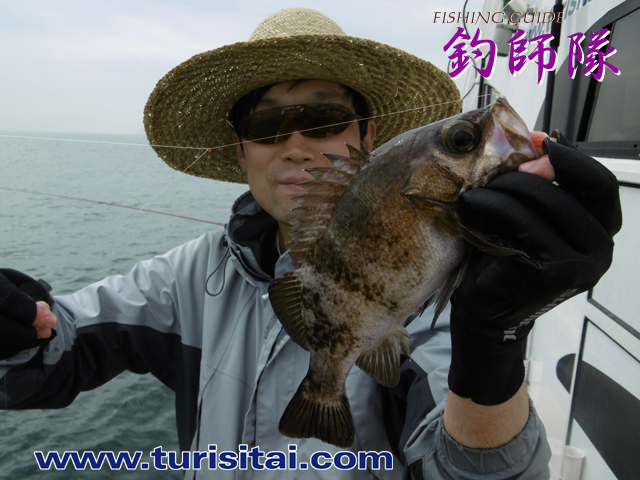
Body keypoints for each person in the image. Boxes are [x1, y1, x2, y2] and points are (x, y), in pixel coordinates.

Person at [0, 8, 621, 479]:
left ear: (367, 135)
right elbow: (55, 352)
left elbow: (472, 471)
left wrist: (493, 351)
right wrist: (17, 324)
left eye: (324, 120)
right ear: (241, 150)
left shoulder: (442, 304)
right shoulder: (187, 279)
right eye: (266, 125)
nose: (296, 146)